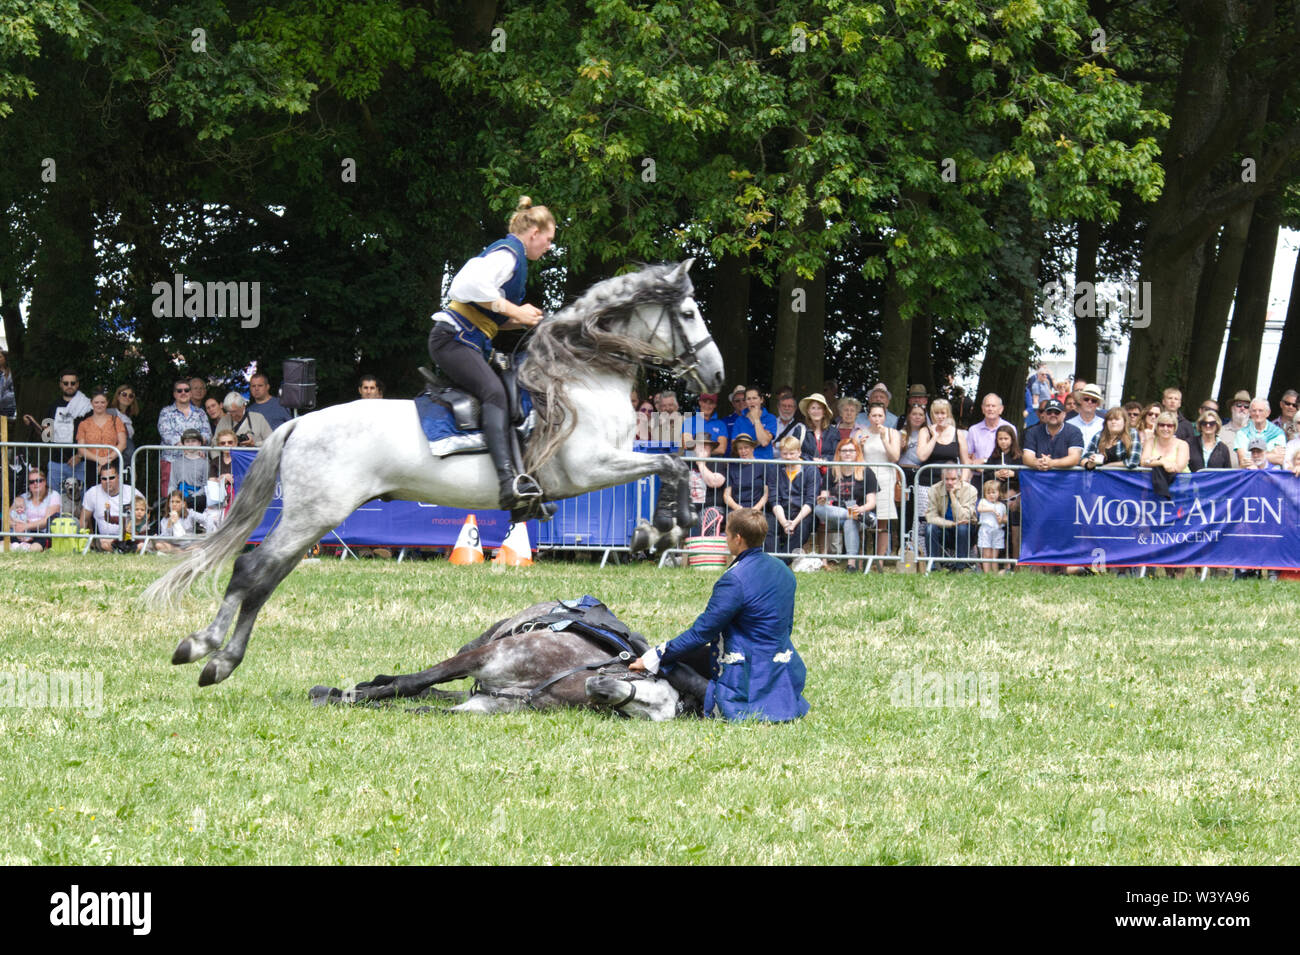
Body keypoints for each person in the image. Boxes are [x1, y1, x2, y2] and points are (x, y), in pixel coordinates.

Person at [427, 196, 555, 514]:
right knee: (495, 394)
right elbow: (466, 285)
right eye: (549, 239)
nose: (550, 247)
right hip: (452, 339)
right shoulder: (508, 253)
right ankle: (506, 483)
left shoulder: (515, 259)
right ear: (534, 232)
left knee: (510, 398)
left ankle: (524, 482)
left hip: (468, 340)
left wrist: (527, 320)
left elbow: (491, 314)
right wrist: (516, 310)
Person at [628, 508, 810, 722]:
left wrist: (654, 657)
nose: (725, 538)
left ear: (738, 538)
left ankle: (705, 695)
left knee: (669, 662)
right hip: (783, 667)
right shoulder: (784, 570)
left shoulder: (734, 580)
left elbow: (701, 633)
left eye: (726, 533)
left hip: (745, 672)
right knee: (687, 655)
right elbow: (786, 626)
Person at [814, 438, 877, 571]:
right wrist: (823, 499)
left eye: (851, 450)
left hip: (863, 515)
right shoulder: (832, 472)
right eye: (844, 451)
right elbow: (824, 495)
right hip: (838, 515)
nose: (848, 453)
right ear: (839, 453)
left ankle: (851, 565)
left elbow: (871, 503)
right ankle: (853, 515)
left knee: (850, 521)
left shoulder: (866, 472)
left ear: (857, 453)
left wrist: (860, 509)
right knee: (818, 509)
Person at [24, 368, 92, 490]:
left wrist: (80, 456)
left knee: (80, 500)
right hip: (56, 462)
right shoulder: (52, 407)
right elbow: (46, 435)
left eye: (73, 383)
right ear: (60, 384)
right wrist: (33, 422)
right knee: (54, 499)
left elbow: (91, 435)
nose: (69, 386)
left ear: (77, 384)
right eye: (66, 383)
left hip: (79, 462)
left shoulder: (86, 406)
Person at [157, 376, 211, 498]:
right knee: (170, 495)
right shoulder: (166, 412)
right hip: (172, 459)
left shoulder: (200, 413)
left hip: (197, 460)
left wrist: (197, 448)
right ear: (174, 394)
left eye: (186, 390)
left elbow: (207, 433)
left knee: (197, 496)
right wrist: (184, 445)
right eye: (179, 390)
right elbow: (166, 433)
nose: (183, 393)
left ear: (191, 393)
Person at [766, 435, 820, 555]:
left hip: (802, 513)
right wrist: (784, 522)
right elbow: (774, 499)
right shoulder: (775, 469)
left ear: (799, 452)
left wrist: (794, 523)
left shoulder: (811, 470)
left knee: (803, 527)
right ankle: (773, 557)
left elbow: (810, 501)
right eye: (785, 454)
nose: (788, 457)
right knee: (768, 524)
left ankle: (781, 562)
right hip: (780, 512)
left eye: (792, 453)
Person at [857, 402, 898, 557]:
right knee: (861, 518)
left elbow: (894, 457)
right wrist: (860, 447)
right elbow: (854, 458)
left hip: (885, 478)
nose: (877, 419)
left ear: (885, 417)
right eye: (874, 415)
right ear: (868, 417)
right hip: (865, 478)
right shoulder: (861, 432)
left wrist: (884, 439)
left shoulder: (892, 433)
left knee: (882, 520)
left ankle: (880, 559)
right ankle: (861, 557)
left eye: (880, 415)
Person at [925, 469, 978, 571]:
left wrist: (953, 496)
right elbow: (931, 517)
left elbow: (963, 517)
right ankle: (933, 566)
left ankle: (960, 568)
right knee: (930, 528)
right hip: (945, 529)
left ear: (959, 479)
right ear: (942, 478)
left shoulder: (970, 490)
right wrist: (952, 524)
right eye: (947, 479)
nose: (950, 482)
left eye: (953, 479)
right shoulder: (934, 489)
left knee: (962, 527)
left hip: (966, 532)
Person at [74, 389, 127, 486]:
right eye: (96, 402)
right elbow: (81, 449)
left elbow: (122, 444)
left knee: (113, 494)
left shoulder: (116, 420)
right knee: (93, 495)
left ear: (107, 403)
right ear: (91, 403)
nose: (99, 405)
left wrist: (107, 460)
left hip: (113, 461)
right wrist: (99, 460)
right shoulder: (84, 424)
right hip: (92, 464)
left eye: (102, 402)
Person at [79, 463, 137, 551]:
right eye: (104, 479)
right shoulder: (92, 492)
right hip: (104, 539)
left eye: (111, 478)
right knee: (104, 543)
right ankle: (121, 550)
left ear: (119, 477)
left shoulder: (132, 492)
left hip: (128, 537)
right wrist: (85, 542)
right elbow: (84, 520)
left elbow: (144, 517)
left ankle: (123, 549)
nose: (108, 481)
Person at [7, 466, 61, 551]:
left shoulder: (53, 495)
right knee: (2, 545)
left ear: (45, 482)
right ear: (29, 485)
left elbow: (47, 521)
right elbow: (6, 518)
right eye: (31, 482)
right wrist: (16, 526)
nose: (35, 484)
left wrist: (25, 526)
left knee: (35, 548)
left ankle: (20, 548)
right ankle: (18, 547)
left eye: (39, 480)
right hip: (19, 532)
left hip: (41, 533)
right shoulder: (22, 497)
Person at [1023, 398, 1084, 471]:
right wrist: (1038, 463)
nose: (1053, 415)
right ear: (1044, 414)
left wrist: (1051, 463)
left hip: (1066, 479)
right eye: (1049, 412)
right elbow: (1027, 457)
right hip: (1039, 478)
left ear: (1064, 414)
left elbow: (1074, 458)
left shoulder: (1074, 432)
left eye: (1057, 412)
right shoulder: (1032, 432)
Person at [722, 433, 768, 514]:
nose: (743, 451)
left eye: (746, 447)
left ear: (752, 448)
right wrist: (738, 508)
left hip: (757, 510)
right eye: (740, 448)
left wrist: (755, 509)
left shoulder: (762, 466)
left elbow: (766, 494)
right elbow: (726, 496)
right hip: (736, 509)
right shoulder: (732, 468)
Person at [1232, 399, 1286, 467]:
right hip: (1250, 474)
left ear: (1268, 413)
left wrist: (1254, 456)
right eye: (1254, 411)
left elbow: (1280, 459)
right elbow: (1244, 461)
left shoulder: (1278, 432)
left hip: (1273, 475)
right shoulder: (1242, 433)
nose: (1257, 414)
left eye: (1261, 411)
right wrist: (1271, 453)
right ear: (1250, 413)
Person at [967, 393, 1014, 464]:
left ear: (1001, 409)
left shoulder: (1010, 428)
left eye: (993, 406)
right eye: (987, 406)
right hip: (978, 473)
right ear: (982, 409)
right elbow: (968, 456)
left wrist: (985, 461)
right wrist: (974, 464)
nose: (990, 409)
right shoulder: (973, 430)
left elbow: (1014, 455)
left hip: (1002, 473)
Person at [732, 387, 777, 459]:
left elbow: (764, 442)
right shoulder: (739, 420)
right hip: (745, 464)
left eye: (754, 398)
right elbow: (735, 446)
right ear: (746, 401)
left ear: (761, 400)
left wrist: (756, 419)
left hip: (765, 464)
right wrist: (758, 440)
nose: (751, 401)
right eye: (748, 399)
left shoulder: (770, 418)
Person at [976, 479, 1008, 574]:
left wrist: (1001, 520)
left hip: (998, 531)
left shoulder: (1002, 505)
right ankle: (987, 572)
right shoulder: (983, 502)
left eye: (993, 492)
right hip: (986, 530)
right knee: (986, 553)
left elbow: (1005, 518)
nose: (991, 495)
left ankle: (995, 572)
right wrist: (992, 510)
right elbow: (979, 509)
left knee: (994, 554)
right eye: (988, 493)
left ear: (999, 493)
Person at [798, 392, 838, 465]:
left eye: (819, 408)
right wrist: (812, 460)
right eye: (813, 408)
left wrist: (824, 460)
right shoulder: (800, 430)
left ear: (824, 412)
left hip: (828, 473)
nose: (816, 411)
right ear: (808, 411)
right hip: (806, 472)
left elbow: (837, 454)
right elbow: (794, 452)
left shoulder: (834, 432)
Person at [1068, 383, 1106, 447]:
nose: (1089, 402)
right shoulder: (1069, 424)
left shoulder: (1104, 425)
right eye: (1086, 399)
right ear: (1080, 401)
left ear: (1098, 404)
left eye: (1093, 400)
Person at [109, 384, 140, 460]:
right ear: (118, 396)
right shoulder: (110, 413)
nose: (127, 398)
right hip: (113, 455)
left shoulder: (128, 418)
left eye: (131, 396)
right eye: (124, 394)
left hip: (125, 456)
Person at [0, 348, 14, 418]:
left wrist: (3, 399)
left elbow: (13, 392)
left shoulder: (11, 373)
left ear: (6, 359)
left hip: (7, 408)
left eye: (0, 357)